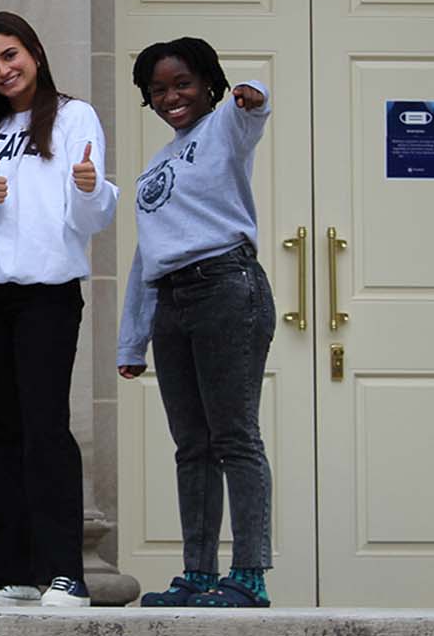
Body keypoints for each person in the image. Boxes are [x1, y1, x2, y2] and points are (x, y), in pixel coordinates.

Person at [0, 11, 117, 608]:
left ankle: (64, 573)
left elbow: (91, 220)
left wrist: (91, 186)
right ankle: (10, 574)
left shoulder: (73, 117)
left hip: (46, 294)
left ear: (36, 54)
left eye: (11, 55)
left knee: (44, 428)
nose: (2, 70)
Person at [118, 36, 275, 608]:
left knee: (235, 437)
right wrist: (132, 338)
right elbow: (147, 252)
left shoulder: (225, 127)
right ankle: (199, 575)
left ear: (209, 82)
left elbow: (255, 106)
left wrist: (252, 93)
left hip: (228, 288)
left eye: (182, 83)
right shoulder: (157, 162)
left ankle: (250, 576)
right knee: (192, 445)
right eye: (157, 90)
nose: (171, 97)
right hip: (172, 301)